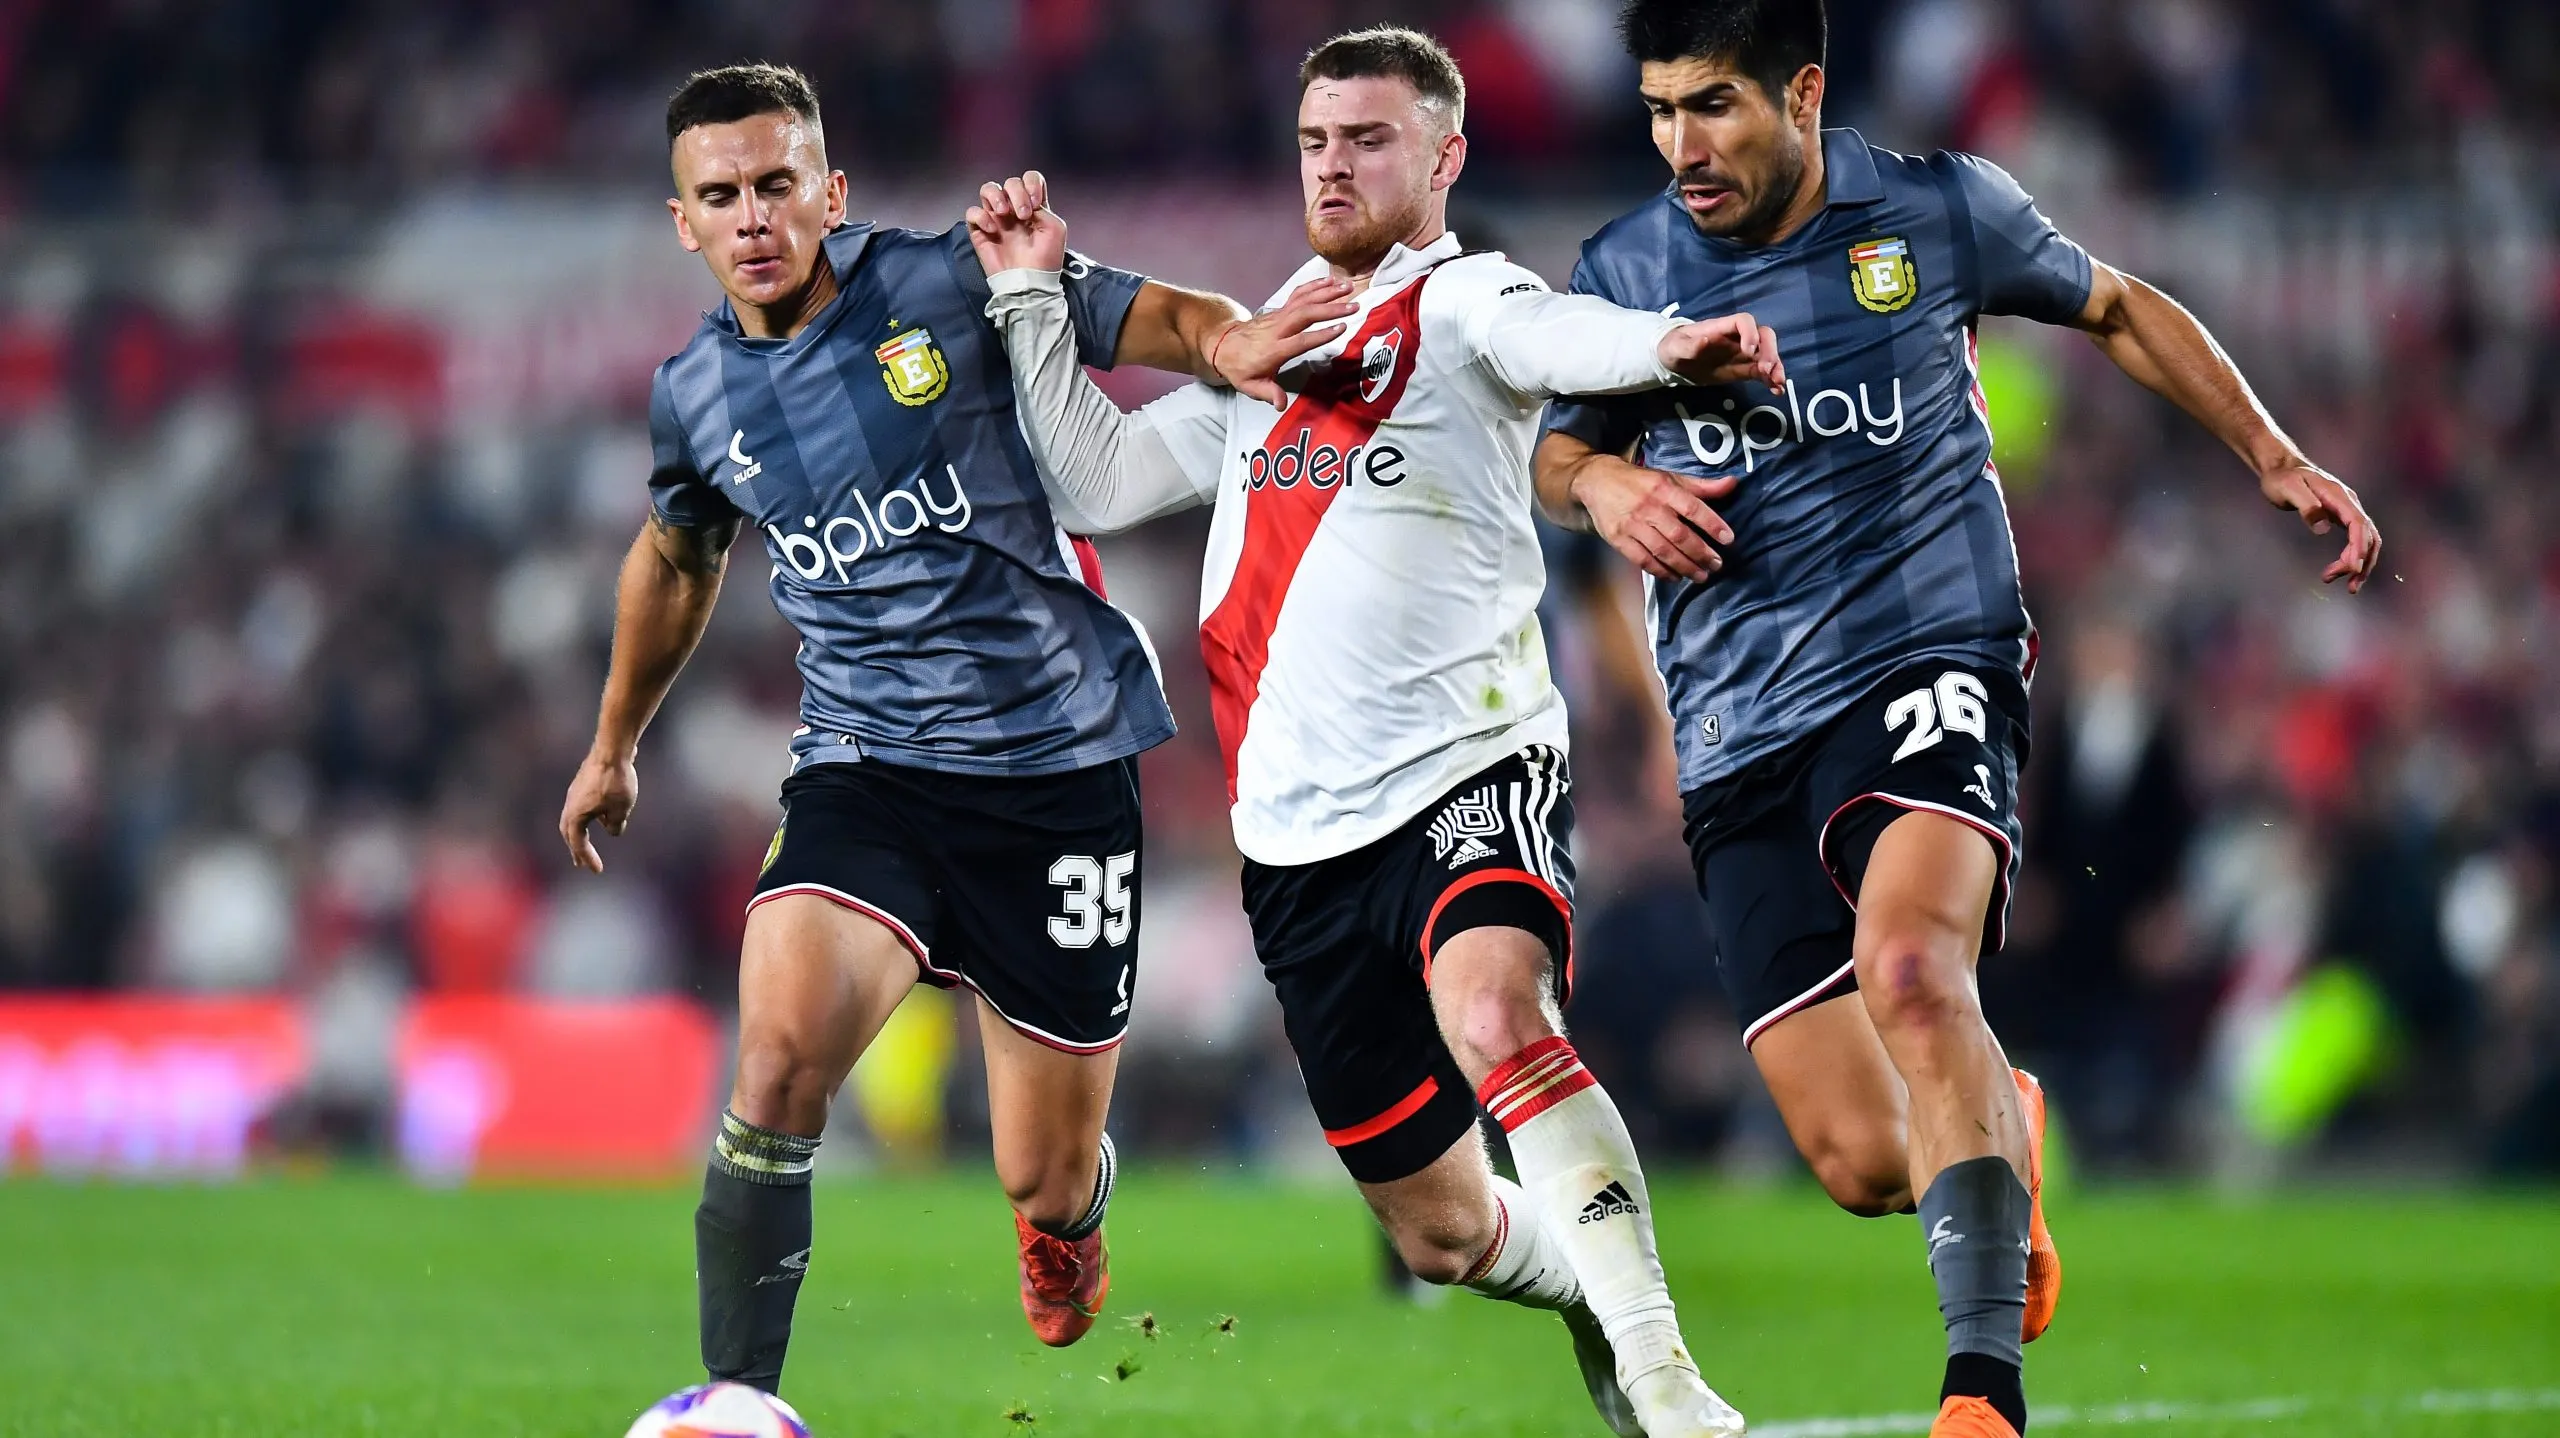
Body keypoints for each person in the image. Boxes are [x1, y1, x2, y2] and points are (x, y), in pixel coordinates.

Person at [1532, 4, 2383, 1436]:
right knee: (1865, 1157)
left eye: (1717, 107)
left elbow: (2114, 302)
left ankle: (1980, 1390)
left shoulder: (1932, 211)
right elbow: (1558, 447)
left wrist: (2275, 454)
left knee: (1914, 969)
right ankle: (2010, 1118)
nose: (1684, 145)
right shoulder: (1623, 270)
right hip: (1738, 729)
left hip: (1928, 656)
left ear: (1802, 93)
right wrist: (1606, 489)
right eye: (1662, 109)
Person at [967, 27, 1785, 1438]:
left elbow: (1555, 333)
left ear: (1444, 157)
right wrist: (1033, 301)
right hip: (1294, 837)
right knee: (1443, 1233)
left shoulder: (1461, 298)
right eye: (1315, 141)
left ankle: (1668, 1384)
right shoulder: (1266, 340)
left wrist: (1666, 350)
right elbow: (1098, 485)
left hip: (1470, 766)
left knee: (1494, 1012)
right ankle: (1589, 1284)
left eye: (1369, 139)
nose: (1335, 165)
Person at [553, 63, 1346, 1394]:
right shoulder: (694, 393)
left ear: (830, 191)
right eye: (720, 196)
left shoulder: (937, 282)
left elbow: (1133, 308)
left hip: (1058, 767)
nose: (752, 216)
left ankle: (1065, 1222)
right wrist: (614, 739)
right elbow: (677, 557)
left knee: (1040, 1167)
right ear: (681, 221)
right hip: (867, 764)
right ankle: (738, 1407)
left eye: (775, 185)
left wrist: (1229, 344)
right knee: (780, 1064)